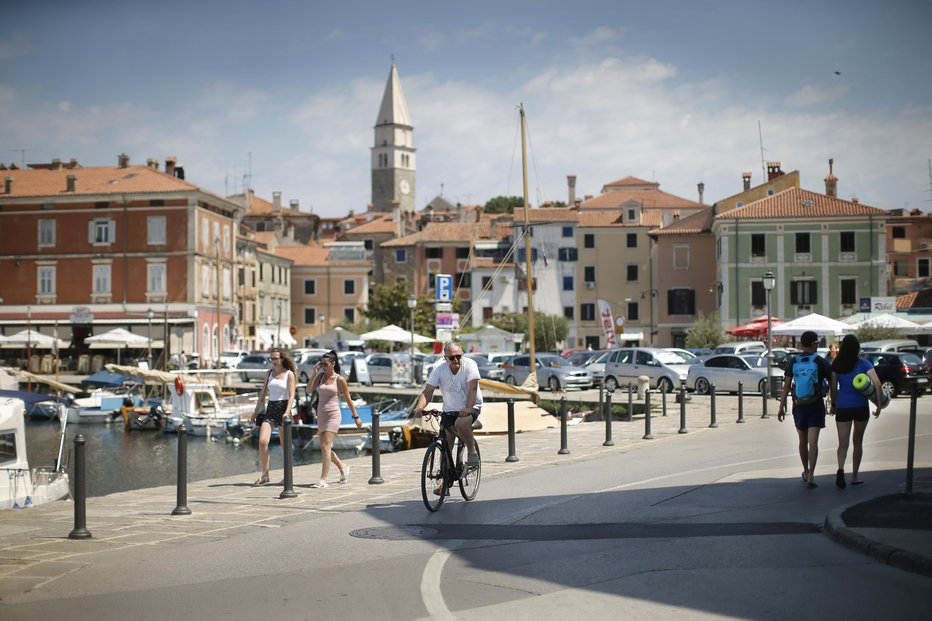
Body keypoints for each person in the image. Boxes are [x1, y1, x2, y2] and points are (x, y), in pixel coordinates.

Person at [413, 341, 482, 496]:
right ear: (445, 358)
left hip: (471, 406)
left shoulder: (470, 365)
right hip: (449, 409)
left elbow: (472, 388)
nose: (456, 360)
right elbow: (428, 391)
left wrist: (468, 408)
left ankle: (471, 451)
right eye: (452, 358)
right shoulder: (439, 369)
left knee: (460, 424)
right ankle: (445, 483)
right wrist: (420, 407)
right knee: (446, 446)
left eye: (459, 356)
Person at [777, 330, 832, 488]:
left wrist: (781, 407)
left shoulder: (794, 361)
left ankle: (806, 470)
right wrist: (834, 399)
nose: (818, 345)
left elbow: (786, 386)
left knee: (802, 441)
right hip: (815, 405)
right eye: (817, 343)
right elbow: (832, 377)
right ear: (814, 344)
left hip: (799, 405)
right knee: (813, 442)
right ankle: (812, 476)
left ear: (802, 344)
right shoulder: (820, 361)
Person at [829, 334, 882, 488]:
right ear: (857, 348)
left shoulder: (836, 365)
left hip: (843, 407)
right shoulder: (864, 364)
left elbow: (833, 388)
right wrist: (878, 404)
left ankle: (840, 469)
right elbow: (878, 385)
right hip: (860, 407)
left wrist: (833, 404)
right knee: (857, 442)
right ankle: (855, 476)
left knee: (842, 443)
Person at [307, 350, 362, 488]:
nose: (323, 367)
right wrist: (314, 373)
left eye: (325, 364)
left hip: (333, 415)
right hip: (321, 415)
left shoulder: (340, 379)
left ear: (333, 364)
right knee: (324, 447)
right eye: (321, 364)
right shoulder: (320, 376)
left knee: (326, 446)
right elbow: (308, 390)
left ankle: (323, 479)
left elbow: (348, 399)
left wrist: (356, 417)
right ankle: (342, 467)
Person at [250, 347, 296, 486]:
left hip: (283, 409)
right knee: (263, 441)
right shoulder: (269, 373)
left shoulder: (289, 374)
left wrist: (287, 412)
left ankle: (288, 476)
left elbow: (292, 395)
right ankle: (265, 475)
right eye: (271, 358)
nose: (273, 361)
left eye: (275, 358)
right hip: (270, 409)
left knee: (284, 445)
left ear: (282, 359)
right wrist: (255, 411)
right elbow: (263, 393)